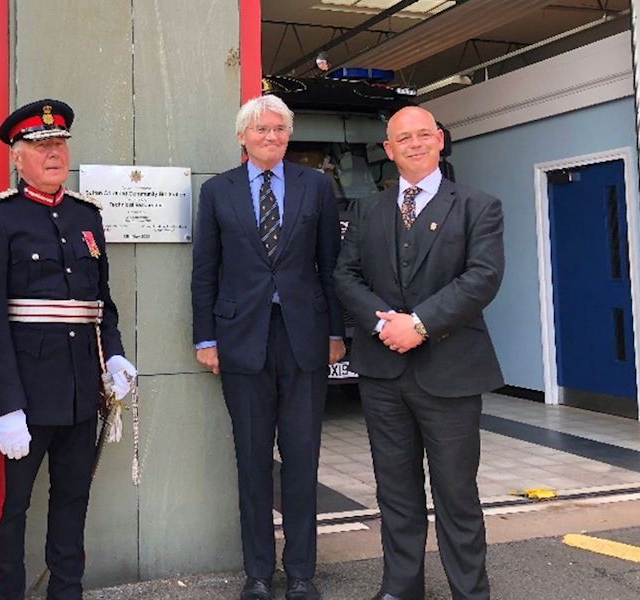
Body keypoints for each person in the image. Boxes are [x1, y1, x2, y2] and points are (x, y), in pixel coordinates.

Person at [0, 99, 137, 600]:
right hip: (24, 397)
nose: (53, 153)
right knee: (11, 506)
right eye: (40, 146)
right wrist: (4, 405)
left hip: (82, 392)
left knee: (72, 500)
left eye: (59, 143)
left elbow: (100, 302)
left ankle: (67, 591)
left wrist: (115, 355)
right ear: (18, 159)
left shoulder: (88, 217)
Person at [333, 106, 504, 600]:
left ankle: (470, 592)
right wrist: (385, 323)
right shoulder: (366, 211)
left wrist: (421, 325)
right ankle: (400, 587)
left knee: (456, 494)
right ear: (388, 150)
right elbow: (346, 276)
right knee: (396, 492)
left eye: (422, 135)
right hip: (383, 372)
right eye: (401, 138)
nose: (413, 144)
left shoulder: (479, 206)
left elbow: (483, 277)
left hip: (450, 371)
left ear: (440, 140)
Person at [190, 95, 345, 600]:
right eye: (261, 129)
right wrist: (206, 337)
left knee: (302, 460)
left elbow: (332, 267)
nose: (271, 137)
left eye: (279, 129)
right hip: (240, 341)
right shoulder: (217, 191)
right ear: (242, 137)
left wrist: (336, 334)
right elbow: (203, 271)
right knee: (252, 460)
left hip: (304, 339)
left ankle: (301, 572)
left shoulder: (317, 187)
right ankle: (257, 571)